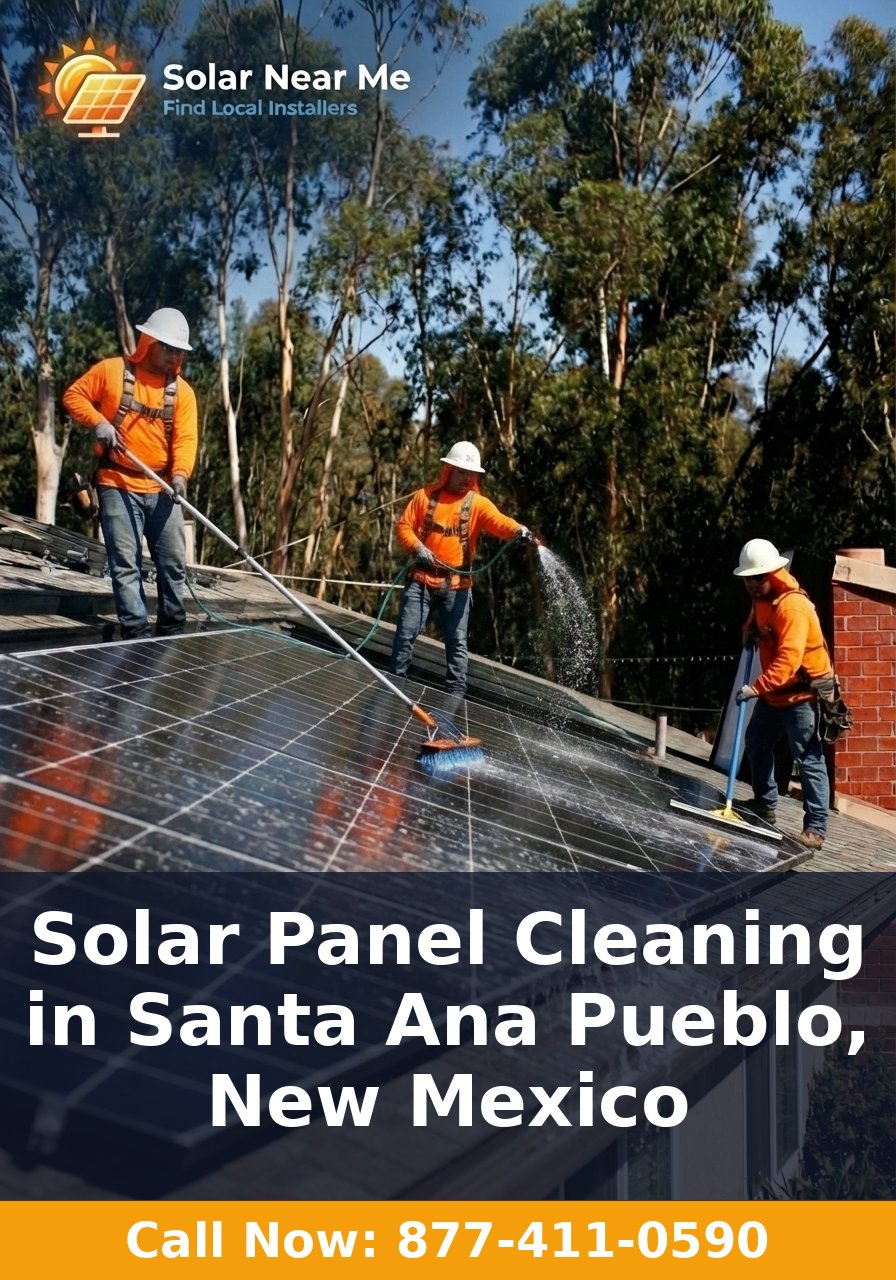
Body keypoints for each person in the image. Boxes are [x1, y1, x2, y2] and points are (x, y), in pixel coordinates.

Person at [63, 308, 198, 639]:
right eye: (168, 347)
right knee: (126, 563)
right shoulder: (111, 372)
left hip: (163, 488)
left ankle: (171, 632)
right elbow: (73, 396)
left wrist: (180, 476)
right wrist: (99, 422)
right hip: (117, 483)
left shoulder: (182, 393)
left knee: (172, 565)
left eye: (179, 350)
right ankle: (137, 636)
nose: (174, 355)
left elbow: (185, 439)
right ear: (148, 342)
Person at [390, 441, 534, 696]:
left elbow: (500, 522)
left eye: (471, 473)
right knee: (406, 633)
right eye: (461, 472)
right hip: (421, 579)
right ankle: (395, 686)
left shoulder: (477, 504)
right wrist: (417, 548)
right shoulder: (425, 496)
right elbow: (404, 526)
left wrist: (518, 530)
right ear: (448, 470)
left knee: (456, 644)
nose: (466, 478)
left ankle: (456, 696)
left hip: (457, 586)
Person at [732, 538, 833, 850]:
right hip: (776, 694)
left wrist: (755, 688)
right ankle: (765, 804)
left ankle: (815, 828)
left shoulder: (793, 607)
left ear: (770, 574)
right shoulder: (762, 596)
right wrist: (748, 629)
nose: (749, 584)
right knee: (758, 741)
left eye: (755, 578)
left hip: (800, 695)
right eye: (747, 578)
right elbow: (757, 618)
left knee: (808, 757)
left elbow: (788, 662)